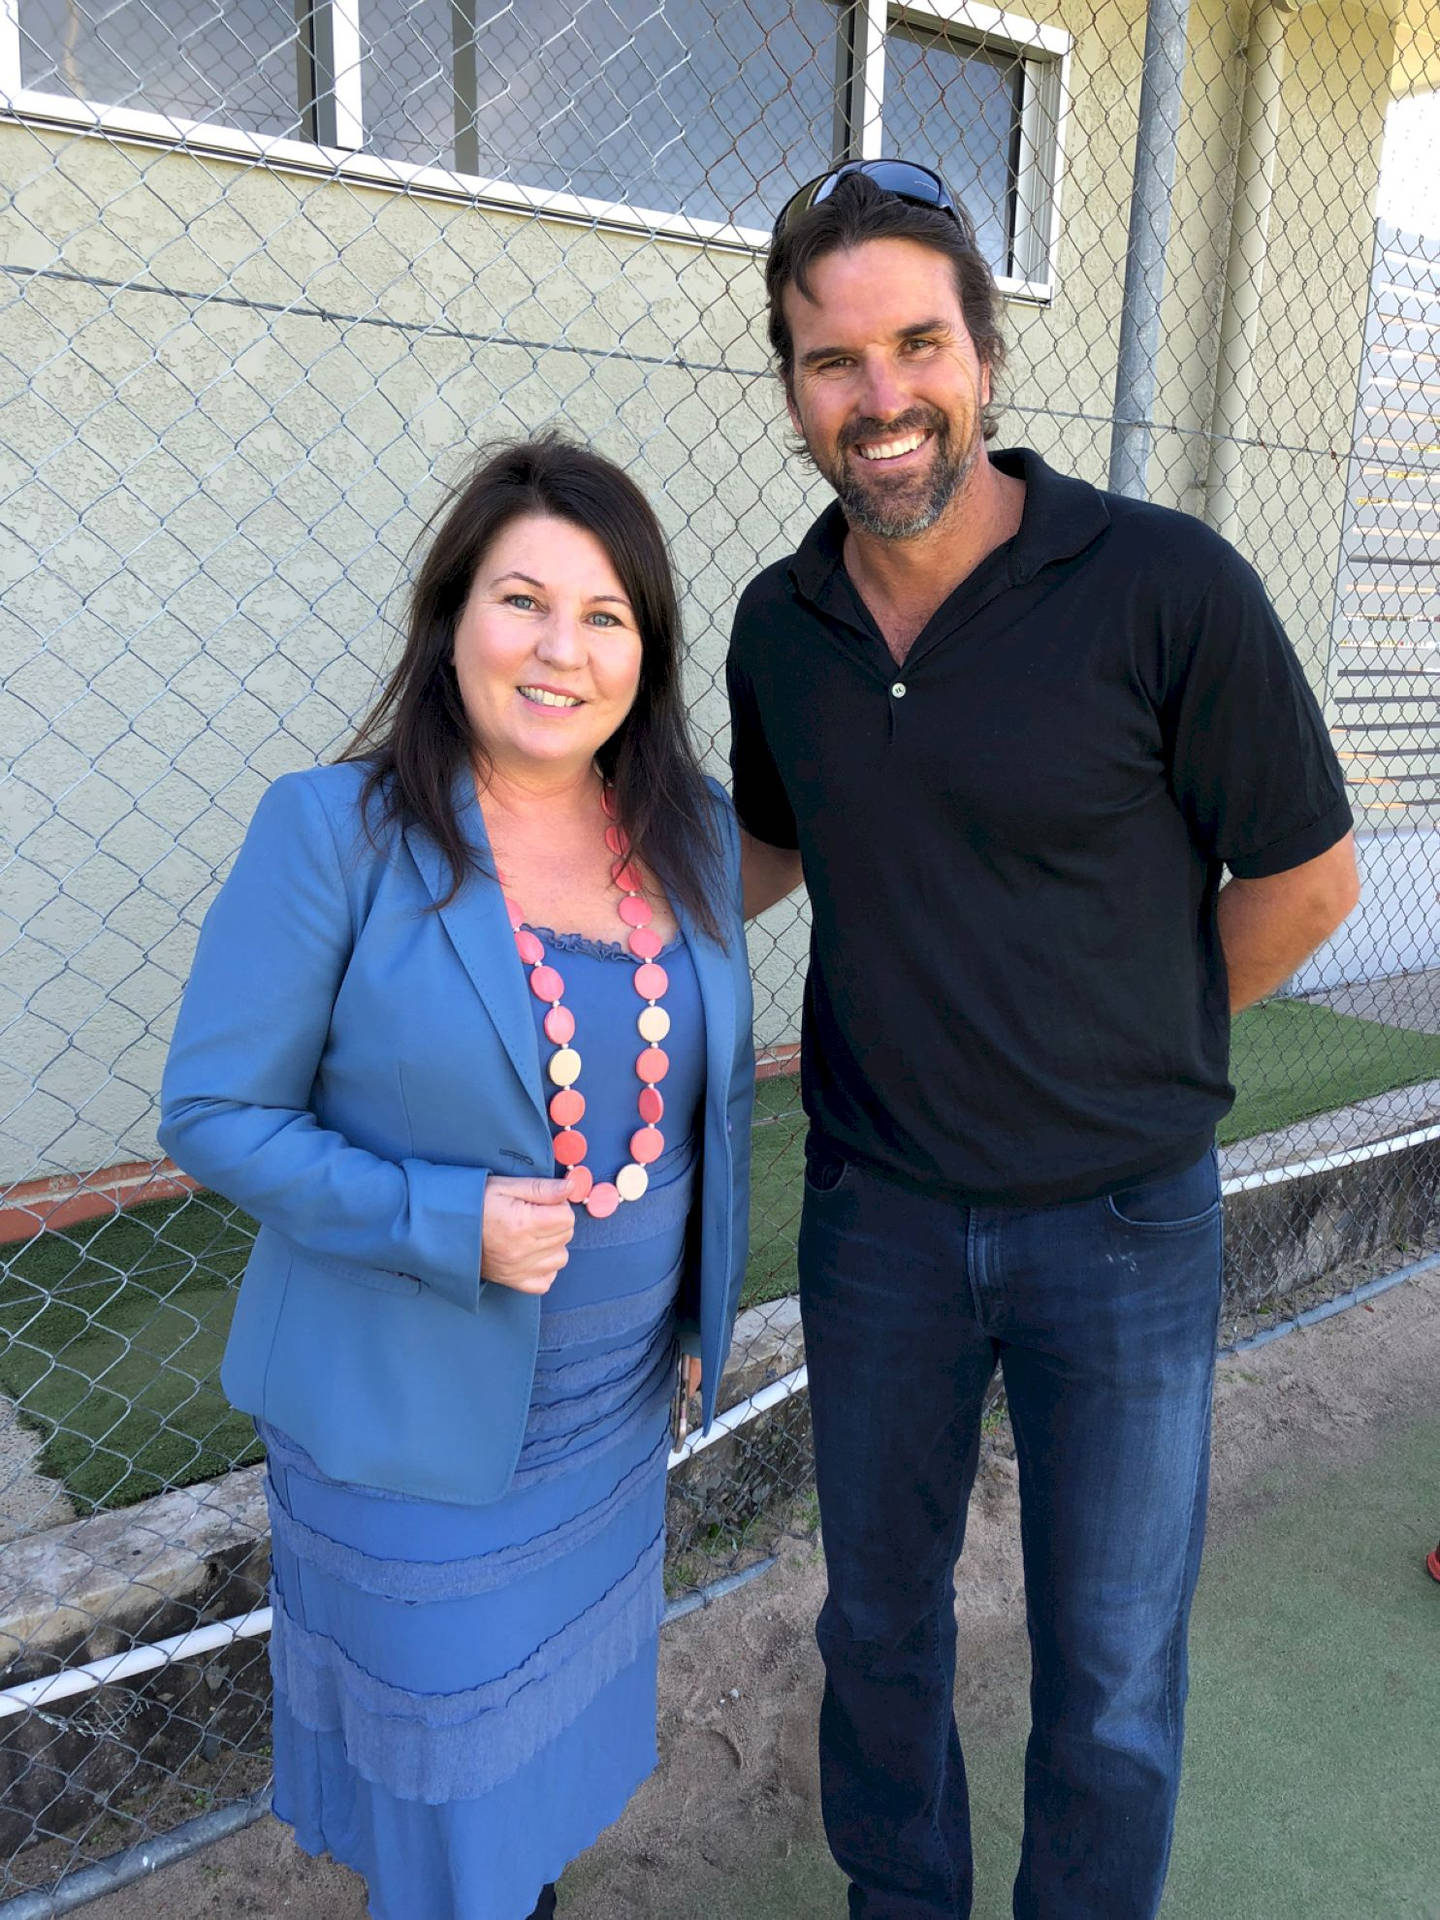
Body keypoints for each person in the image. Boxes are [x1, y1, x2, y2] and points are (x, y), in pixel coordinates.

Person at [727, 160, 1360, 1920]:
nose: (881, 397)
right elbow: (776, 840)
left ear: (986, 356)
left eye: (916, 342)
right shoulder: (783, 628)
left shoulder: (1161, 584)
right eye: (830, 358)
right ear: (789, 385)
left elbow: (1307, 883)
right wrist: (562, 886)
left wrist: (1125, 1043)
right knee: (875, 1628)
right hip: (880, 1222)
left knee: (1107, 1668)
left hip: (1124, 1223)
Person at [159, 436, 754, 1920]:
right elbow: (214, 1111)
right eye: (522, 601)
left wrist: (695, 1315)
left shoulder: (684, 837)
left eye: (607, 614)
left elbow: (696, 1116)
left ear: (648, 649)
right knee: (445, 1804)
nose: (563, 649)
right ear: (451, 622)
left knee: (537, 1772)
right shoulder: (335, 832)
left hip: (610, 1418)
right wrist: (444, 1222)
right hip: (409, 1429)